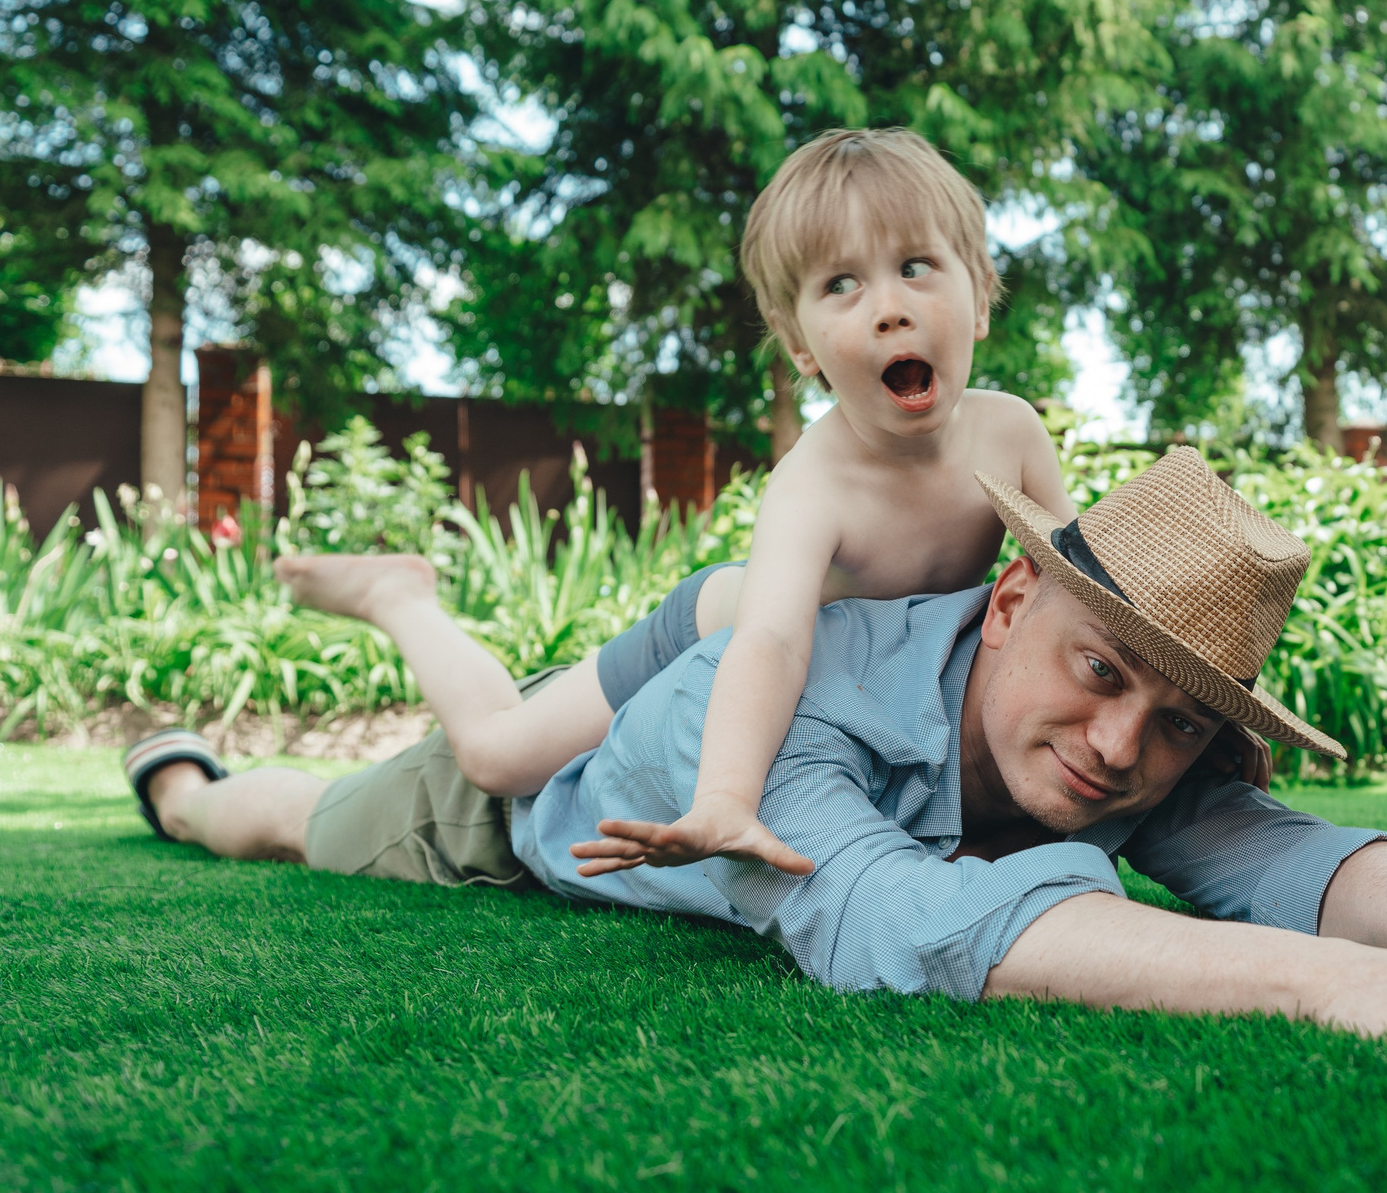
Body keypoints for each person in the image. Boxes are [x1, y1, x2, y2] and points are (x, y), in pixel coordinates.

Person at [123, 450, 1387, 1068]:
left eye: (1177, 719)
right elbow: (887, 917)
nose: (1123, 750)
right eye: (1106, 674)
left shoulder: (1146, 742)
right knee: (286, 821)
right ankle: (360, 643)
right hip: (516, 807)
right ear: (1014, 592)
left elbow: (1279, 852)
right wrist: (1337, 992)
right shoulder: (795, 702)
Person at [273, 127, 1078, 878]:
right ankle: (403, 598)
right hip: (704, 631)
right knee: (495, 757)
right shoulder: (815, 482)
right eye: (841, 284)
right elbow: (769, 645)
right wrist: (724, 797)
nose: (889, 306)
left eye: (915, 266)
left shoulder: (1010, 433)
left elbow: (1079, 583)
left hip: (866, 677)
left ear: (979, 294)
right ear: (801, 346)